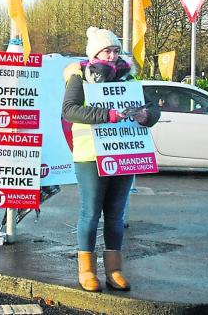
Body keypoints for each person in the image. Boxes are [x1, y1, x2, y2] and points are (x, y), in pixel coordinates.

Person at [62, 27, 160, 292]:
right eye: (108, 50)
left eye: (116, 50)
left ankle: (115, 270)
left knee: (115, 215)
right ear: (95, 53)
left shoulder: (128, 80)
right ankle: (87, 271)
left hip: (124, 153)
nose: (114, 55)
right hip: (90, 156)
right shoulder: (79, 77)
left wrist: (145, 116)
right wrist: (109, 116)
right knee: (91, 212)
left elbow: (152, 108)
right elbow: (70, 111)